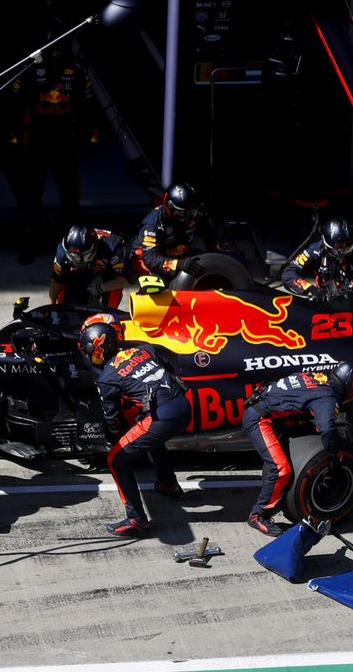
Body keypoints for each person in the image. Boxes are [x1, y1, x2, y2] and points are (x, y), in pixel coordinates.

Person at [81, 319, 192, 537]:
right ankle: (168, 484)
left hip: (162, 416)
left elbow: (112, 420)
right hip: (184, 405)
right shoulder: (143, 349)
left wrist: (115, 433)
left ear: (97, 351)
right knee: (148, 433)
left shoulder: (106, 378)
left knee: (116, 459)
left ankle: (136, 519)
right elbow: (169, 368)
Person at [241, 361, 353, 537]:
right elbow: (327, 430)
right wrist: (334, 456)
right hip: (260, 419)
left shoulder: (320, 377)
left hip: (271, 411)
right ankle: (258, 515)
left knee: (309, 430)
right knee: (280, 470)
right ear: (350, 383)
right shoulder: (327, 397)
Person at [3, 43, 97, 264]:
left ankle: (72, 245)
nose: (55, 55)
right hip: (36, 140)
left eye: (60, 50)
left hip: (66, 142)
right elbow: (13, 102)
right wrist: (13, 137)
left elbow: (88, 106)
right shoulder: (30, 67)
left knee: (70, 198)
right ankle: (30, 242)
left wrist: (90, 137)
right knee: (30, 196)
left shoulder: (77, 69)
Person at [128, 182, 225, 283]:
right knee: (158, 284)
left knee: (201, 265)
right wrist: (178, 264)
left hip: (176, 254)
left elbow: (211, 237)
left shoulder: (196, 216)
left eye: (191, 210)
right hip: (147, 260)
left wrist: (219, 258)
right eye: (182, 212)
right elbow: (149, 259)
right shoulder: (153, 223)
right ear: (170, 209)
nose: (188, 216)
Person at [281, 217, 353, 299]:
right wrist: (312, 289)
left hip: (347, 301)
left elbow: (350, 296)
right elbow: (288, 273)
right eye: (336, 250)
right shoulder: (314, 250)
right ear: (326, 244)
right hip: (321, 293)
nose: (340, 254)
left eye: (345, 248)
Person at [49, 225, 128, 308]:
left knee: (109, 308)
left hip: (107, 274)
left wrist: (100, 288)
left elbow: (126, 279)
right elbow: (56, 281)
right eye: (73, 257)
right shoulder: (62, 253)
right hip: (78, 273)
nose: (77, 261)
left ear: (94, 248)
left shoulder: (114, 249)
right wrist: (51, 308)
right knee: (63, 308)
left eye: (82, 257)